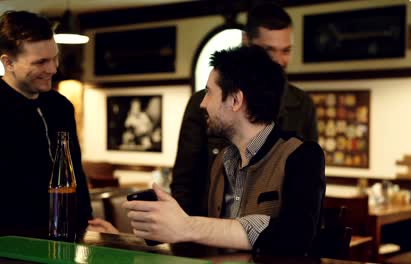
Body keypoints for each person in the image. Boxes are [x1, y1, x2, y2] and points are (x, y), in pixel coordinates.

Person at [124, 46, 325, 255]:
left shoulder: (303, 156)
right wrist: (129, 237)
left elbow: (296, 236)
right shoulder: (222, 161)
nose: (202, 103)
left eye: (209, 92)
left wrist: (188, 226)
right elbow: (204, 238)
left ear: (236, 100)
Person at [171, 3, 318, 216]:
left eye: (286, 51)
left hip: (274, 239)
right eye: (269, 50)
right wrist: (186, 233)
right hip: (206, 234)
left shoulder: (302, 105)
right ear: (247, 43)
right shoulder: (203, 104)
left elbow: (307, 190)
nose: (278, 61)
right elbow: (185, 182)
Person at [0, 10, 93, 236]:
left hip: (67, 236)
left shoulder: (61, 106)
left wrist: (87, 220)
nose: (53, 69)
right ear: (8, 62)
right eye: (41, 62)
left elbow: (76, 174)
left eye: (55, 58)